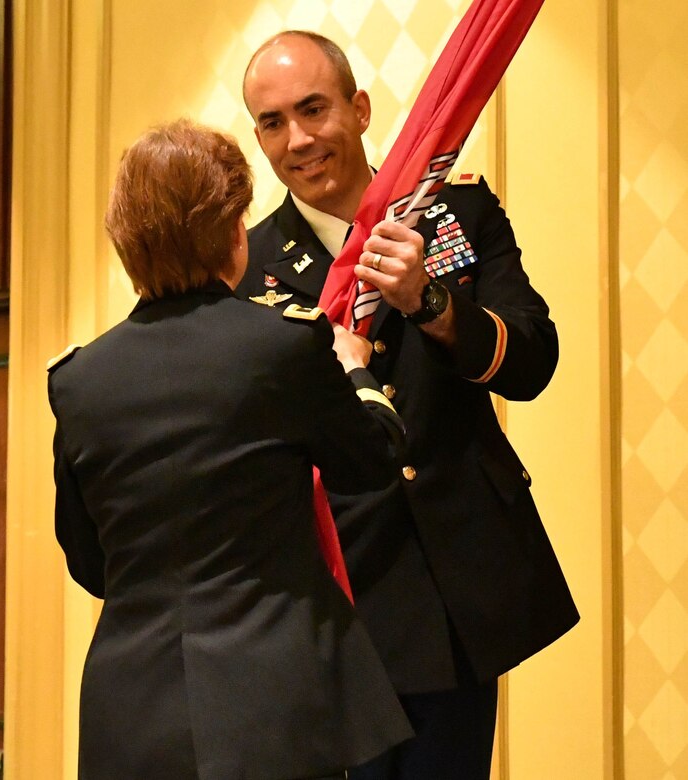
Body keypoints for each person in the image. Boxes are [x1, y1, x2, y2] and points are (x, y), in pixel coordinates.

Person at [238, 31, 580, 780]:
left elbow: (532, 360)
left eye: (314, 109)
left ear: (359, 109)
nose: (296, 139)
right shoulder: (248, 267)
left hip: (457, 581)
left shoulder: (455, 213)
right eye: (271, 122)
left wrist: (433, 305)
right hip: (336, 598)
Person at [48, 119, 414, 780]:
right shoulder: (282, 346)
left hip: (127, 711)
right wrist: (355, 368)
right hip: (271, 701)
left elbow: (87, 559)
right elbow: (373, 461)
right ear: (232, 235)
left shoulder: (77, 381)